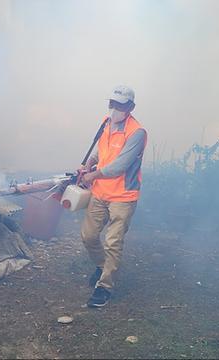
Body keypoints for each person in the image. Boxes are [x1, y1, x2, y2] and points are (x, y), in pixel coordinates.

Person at [79, 85, 147, 308]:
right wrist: (89, 163)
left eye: (120, 105)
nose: (115, 108)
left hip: (122, 196)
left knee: (113, 242)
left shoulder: (137, 132)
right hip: (100, 192)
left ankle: (105, 287)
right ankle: (102, 266)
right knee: (88, 236)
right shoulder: (106, 123)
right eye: (112, 103)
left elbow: (120, 165)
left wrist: (93, 175)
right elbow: (102, 150)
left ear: (130, 107)